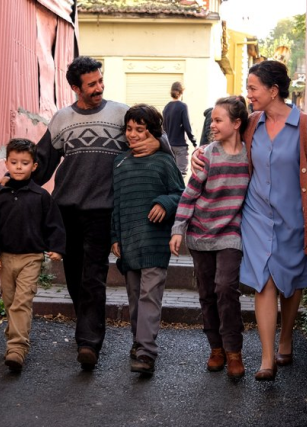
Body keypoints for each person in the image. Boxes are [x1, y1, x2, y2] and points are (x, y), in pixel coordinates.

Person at [0, 56, 172, 371]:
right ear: (76, 87)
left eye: (100, 81)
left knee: (93, 277)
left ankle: (89, 343)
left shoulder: (120, 113)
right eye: (91, 84)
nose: (99, 88)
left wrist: (157, 145)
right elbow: (42, 161)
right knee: (76, 279)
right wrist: (12, 182)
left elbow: (154, 135)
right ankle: (86, 329)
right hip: (66, 211)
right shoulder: (62, 119)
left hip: (104, 211)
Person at [192, 61, 307, 381]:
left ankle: (286, 339)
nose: (249, 94)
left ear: (274, 91)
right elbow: (223, 140)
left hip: (295, 218)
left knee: (292, 282)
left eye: (253, 88)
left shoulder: (306, 126)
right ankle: (267, 359)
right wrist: (201, 152)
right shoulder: (251, 123)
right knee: (266, 281)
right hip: (256, 216)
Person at [170, 96, 250, 379]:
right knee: (206, 294)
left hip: (230, 232)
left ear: (237, 123)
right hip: (200, 232)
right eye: (212, 120)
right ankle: (215, 348)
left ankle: (233, 351)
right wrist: (179, 228)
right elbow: (190, 194)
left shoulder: (250, 156)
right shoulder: (206, 155)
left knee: (225, 288)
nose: (212, 126)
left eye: (218, 120)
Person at [0, 138, 66, 372]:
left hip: (31, 257)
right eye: (14, 162)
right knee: (9, 301)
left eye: (24, 163)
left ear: (34, 166)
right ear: (6, 163)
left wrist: (56, 247)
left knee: (22, 302)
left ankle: (17, 348)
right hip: (5, 258)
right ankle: (15, 334)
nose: (19, 167)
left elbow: (53, 224)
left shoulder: (41, 196)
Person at [111, 104, 184, 376]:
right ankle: (138, 342)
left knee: (149, 297)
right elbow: (116, 204)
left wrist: (165, 203)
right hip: (129, 244)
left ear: (152, 132)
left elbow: (181, 194)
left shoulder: (164, 162)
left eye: (140, 130)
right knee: (133, 298)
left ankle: (146, 352)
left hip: (154, 243)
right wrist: (115, 237)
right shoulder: (119, 163)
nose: (132, 134)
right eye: (129, 129)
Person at [162, 81, 197, 176]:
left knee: (171, 174)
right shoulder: (182, 106)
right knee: (181, 174)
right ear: (182, 92)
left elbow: (163, 127)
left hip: (169, 145)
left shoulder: (166, 107)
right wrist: (194, 142)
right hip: (180, 145)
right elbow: (187, 126)